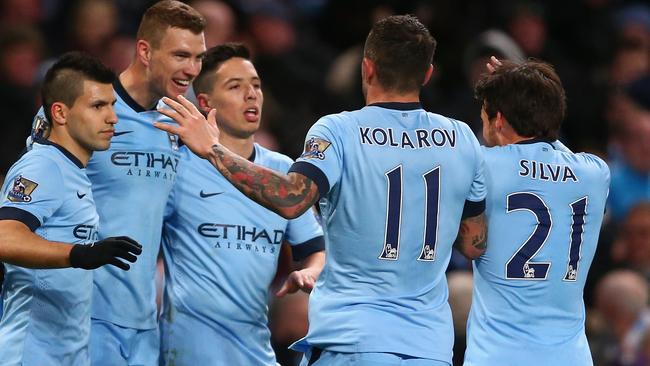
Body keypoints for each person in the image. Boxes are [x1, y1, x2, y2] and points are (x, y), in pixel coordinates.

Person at [157, 15, 487, 366]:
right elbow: (473, 243)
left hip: (351, 342)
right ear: (427, 75)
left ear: (367, 68)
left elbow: (292, 198)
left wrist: (213, 150)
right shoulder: (462, 139)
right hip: (428, 348)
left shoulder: (339, 131)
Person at [31, 2, 206, 365]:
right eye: (180, 55)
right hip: (78, 315)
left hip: (143, 321)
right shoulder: (83, 106)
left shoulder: (183, 123)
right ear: (145, 51)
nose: (192, 70)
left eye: (198, 57)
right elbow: (30, 199)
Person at [159, 43, 325, 365]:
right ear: (206, 103)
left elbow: (314, 249)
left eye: (256, 85)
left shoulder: (282, 170)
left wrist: (310, 272)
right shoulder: (177, 167)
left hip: (255, 350)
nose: (252, 94)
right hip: (186, 353)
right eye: (235, 86)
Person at [463, 59, 610, 365]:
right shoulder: (595, 173)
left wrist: (515, 87)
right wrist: (535, 100)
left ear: (498, 120)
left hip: (498, 356)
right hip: (571, 357)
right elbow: (550, 147)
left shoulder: (483, 165)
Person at [0, 52, 142, 366]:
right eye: (97, 106)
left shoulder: (71, 170)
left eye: (112, 105)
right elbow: (4, 238)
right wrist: (77, 253)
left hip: (65, 353)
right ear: (60, 113)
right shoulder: (42, 166)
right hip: (29, 354)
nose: (113, 118)